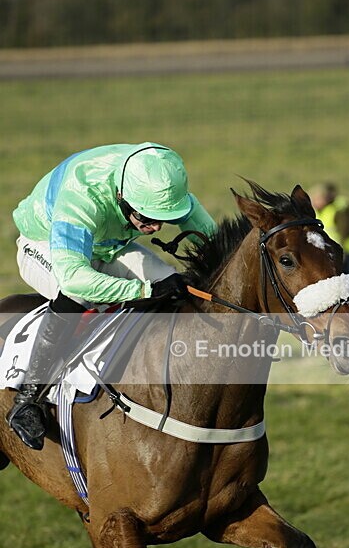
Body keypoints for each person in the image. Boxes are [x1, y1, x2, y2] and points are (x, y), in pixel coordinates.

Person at [6, 142, 216, 451]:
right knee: (79, 298)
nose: (156, 227)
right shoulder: (83, 196)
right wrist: (143, 291)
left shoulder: (161, 183)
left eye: (163, 218)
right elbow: (75, 279)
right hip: (45, 243)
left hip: (106, 246)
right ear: (121, 197)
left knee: (172, 283)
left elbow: (216, 244)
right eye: (147, 217)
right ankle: (28, 398)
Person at [309, 183, 349, 256]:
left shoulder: (338, 210)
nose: (315, 201)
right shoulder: (317, 212)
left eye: (318, 198)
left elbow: (345, 229)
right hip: (332, 251)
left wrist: (341, 249)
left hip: (348, 250)